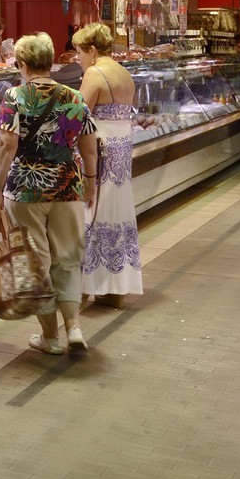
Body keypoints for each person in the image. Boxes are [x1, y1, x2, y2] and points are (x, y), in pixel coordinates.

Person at [0, 32, 99, 356]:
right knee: (67, 260)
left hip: (26, 191)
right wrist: (90, 183)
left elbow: (7, 145)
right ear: (50, 61)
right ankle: (75, 328)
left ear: (22, 64)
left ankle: (50, 339)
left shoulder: (15, 96)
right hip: (68, 185)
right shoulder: (75, 96)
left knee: (37, 263)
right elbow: (89, 147)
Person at [73, 22, 141, 306]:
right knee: (118, 210)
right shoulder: (124, 72)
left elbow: (78, 115)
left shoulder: (95, 72)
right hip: (122, 147)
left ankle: (91, 284)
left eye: (78, 53)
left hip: (99, 150)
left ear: (91, 50)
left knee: (94, 211)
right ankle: (116, 287)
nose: (78, 59)